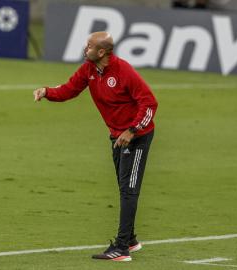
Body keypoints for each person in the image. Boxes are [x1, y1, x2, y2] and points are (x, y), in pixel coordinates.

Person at [33, 31, 158, 262]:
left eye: (89, 46)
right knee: (124, 187)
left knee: (129, 191)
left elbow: (149, 103)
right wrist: (47, 92)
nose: (85, 49)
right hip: (117, 137)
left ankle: (121, 248)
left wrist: (132, 130)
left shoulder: (124, 71)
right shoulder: (89, 70)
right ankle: (130, 239)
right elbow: (69, 89)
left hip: (137, 136)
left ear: (102, 52)